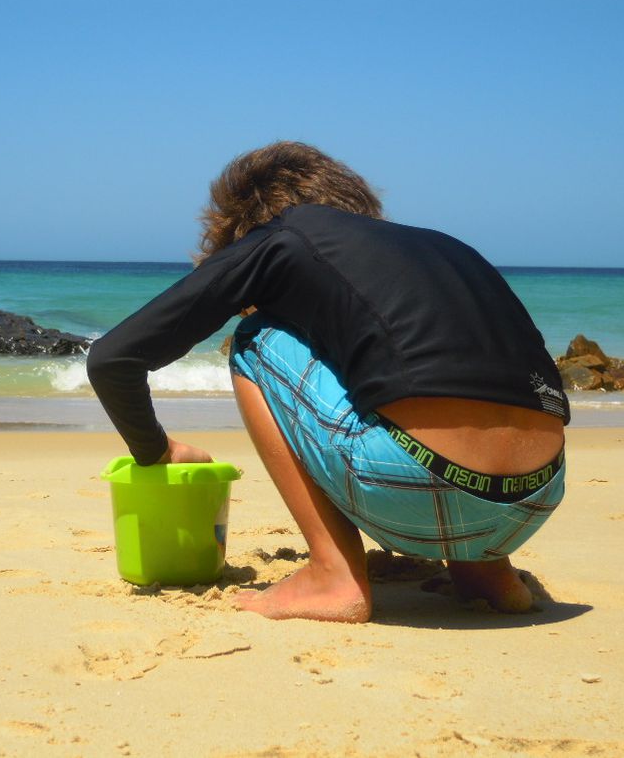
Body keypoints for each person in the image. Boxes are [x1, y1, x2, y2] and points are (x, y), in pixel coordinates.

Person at [86, 141, 568, 623]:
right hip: (536, 499)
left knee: (254, 338)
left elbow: (113, 359)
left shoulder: (285, 234)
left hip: (414, 490)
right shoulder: (448, 247)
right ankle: (485, 574)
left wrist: (158, 451)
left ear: (247, 224)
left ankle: (332, 573)